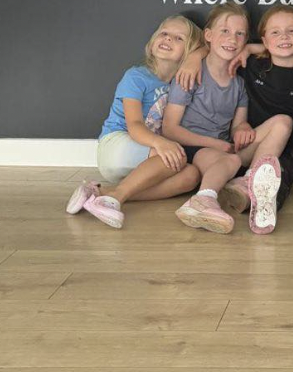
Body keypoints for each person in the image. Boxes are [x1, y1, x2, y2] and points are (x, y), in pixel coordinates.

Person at [163, 2, 293, 235]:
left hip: (224, 149)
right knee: (231, 161)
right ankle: (202, 200)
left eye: (239, 34)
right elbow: (170, 129)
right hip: (193, 148)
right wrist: (216, 145)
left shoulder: (238, 84)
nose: (232, 39)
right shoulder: (190, 74)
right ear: (209, 36)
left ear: (245, 41)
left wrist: (242, 129)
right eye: (225, 31)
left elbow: (238, 125)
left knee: (283, 122)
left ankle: (248, 182)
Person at [67, 15, 204, 229]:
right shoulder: (137, 76)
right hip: (117, 145)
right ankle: (116, 198)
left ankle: (102, 195)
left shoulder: (180, 82)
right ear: (153, 40)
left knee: (191, 175)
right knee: (174, 156)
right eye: (164, 33)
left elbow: (210, 48)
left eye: (179, 38)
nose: (168, 39)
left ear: (189, 51)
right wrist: (161, 143)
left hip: (145, 161)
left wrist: (196, 57)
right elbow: (135, 126)